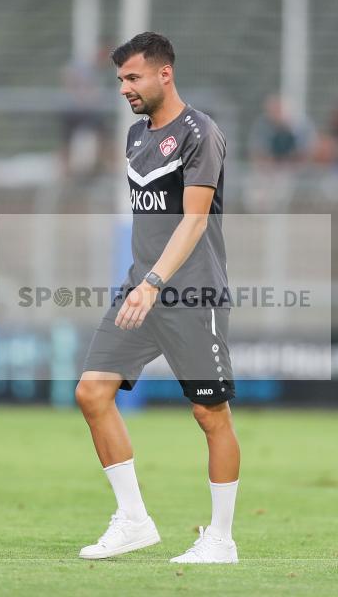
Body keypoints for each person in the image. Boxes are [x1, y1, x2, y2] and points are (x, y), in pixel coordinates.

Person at [75, 32, 240, 564]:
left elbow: (194, 221)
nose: (124, 88)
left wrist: (154, 282)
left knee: (209, 413)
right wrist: (141, 282)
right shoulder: (135, 135)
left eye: (133, 77)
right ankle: (134, 521)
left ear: (164, 73)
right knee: (91, 392)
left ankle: (220, 540)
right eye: (120, 79)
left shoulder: (201, 133)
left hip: (191, 293)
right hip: (141, 288)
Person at [245, 94, 311, 212]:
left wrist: (288, 163)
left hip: (289, 170)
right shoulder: (263, 125)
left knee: (283, 186)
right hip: (267, 170)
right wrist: (268, 164)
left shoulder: (296, 127)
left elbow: (302, 154)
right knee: (256, 187)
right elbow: (257, 153)